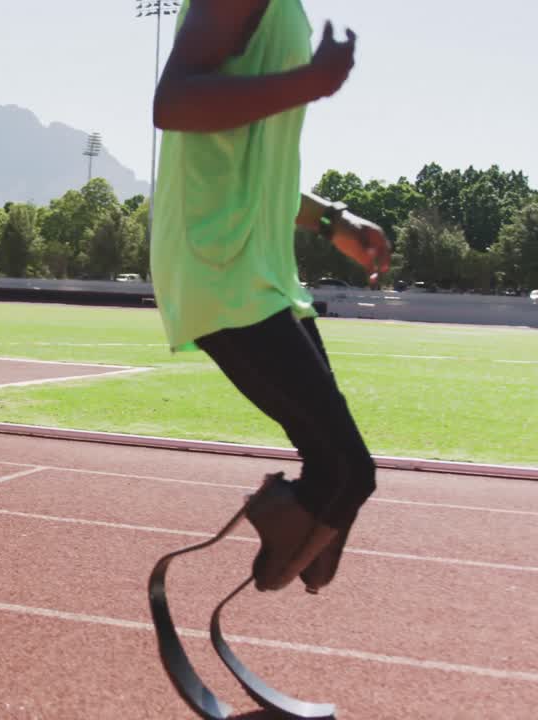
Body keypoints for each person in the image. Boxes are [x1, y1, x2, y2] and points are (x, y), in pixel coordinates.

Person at [150, 0, 391, 594]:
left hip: (262, 270)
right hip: (219, 264)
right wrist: (312, 81)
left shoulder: (289, 11)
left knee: (339, 472)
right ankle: (282, 526)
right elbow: (174, 102)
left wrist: (332, 220)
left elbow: (254, 164)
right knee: (347, 472)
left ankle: (292, 524)